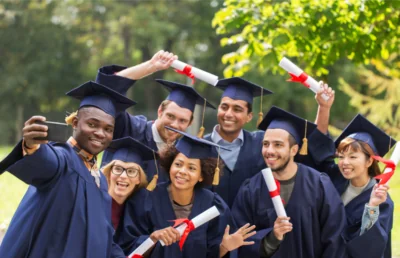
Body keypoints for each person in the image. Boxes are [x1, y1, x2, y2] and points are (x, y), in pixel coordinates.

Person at [0, 81, 135, 257]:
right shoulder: (63, 159)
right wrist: (31, 145)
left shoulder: (100, 181)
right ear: (75, 123)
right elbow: (46, 161)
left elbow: (103, 238)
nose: (101, 133)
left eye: (108, 129)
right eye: (92, 125)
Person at [115, 127, 256, 258]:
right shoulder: (145, 199)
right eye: (178, 164)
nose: (182, 171)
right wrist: (152, 238)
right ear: (170, 166)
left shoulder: (213, 205)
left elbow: (212, 253)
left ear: (201, 175)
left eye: (192, 168)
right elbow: (128, 246)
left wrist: (225, 247)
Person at [231, 106, 347, 258]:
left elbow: (335, 239)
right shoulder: (251, 189)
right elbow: (240, 242)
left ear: (294, 150)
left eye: (278, 145)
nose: (269, 151)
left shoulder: (319, 185)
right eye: (266, 144)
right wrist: (271, 238)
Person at [97, 51, 215, 184]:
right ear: (160, 111)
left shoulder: (179, 157)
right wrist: (151, 66)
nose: (175, 125)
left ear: (190, 123)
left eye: (182, 120)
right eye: (170, 116)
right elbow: (106, 89)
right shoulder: (130, 128)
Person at [307, 87, 395, 258]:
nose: (344, 163)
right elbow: (318, 155)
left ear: (369, 161)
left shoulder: (382, 201)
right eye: (341, 156)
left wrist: (372, 207)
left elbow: (372, 248)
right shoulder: (333, 177)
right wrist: (323, 108)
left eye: (353, 157)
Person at [204, 77, 273, 207]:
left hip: (251, 224)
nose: (229, 114)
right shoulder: (199, 146)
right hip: (209, 224)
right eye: (224, 107)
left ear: (249, 117)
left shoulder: (262, 144)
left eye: (237, 109)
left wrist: (323, 107)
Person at [102, 136, 158, 230]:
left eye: (131, 171)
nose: (123, 176)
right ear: (109, 173)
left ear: (139, 179)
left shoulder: (138, 211)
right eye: (118, 169)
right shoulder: (94, 201)